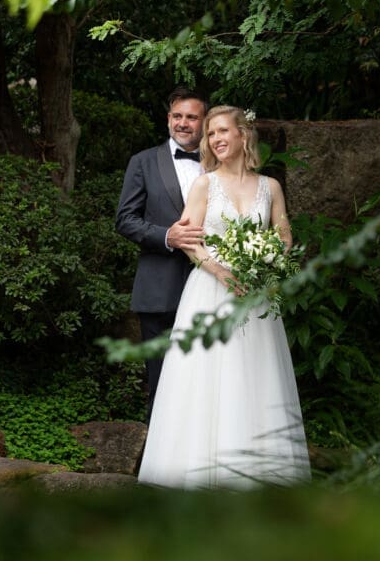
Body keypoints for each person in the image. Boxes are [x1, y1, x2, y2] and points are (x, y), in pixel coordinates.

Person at [137, 105, 311, 489]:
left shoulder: (271, 187)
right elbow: (189, 239)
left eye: (222, 131)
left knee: (255, 375)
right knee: (206, 377)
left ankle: (258, 474)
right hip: (210, 292)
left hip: (255, 296)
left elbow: (283, 236)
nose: (215, 139)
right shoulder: (204, 185)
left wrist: (266, 264)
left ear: (242, 135)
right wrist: (218, 270)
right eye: (210, 134)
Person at [115, 86, 210, 419]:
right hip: (159, 289)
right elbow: (125, 220)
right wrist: (166, 236)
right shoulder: (143, 162)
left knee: (209, 379)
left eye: (191, 117)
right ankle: (159, 465)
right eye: (177, 116)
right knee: (162, 380)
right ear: (169, 118)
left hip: (213, 287)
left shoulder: (219, 164)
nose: (183, 123)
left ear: (204, 122)